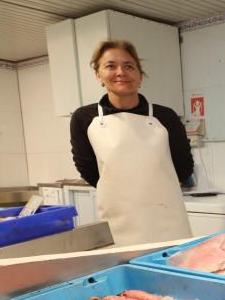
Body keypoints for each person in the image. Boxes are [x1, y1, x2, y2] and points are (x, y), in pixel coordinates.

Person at [70, 40, 194, 245]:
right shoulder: (84, 118)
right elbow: (88, 170)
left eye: (129, 66)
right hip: (118, 223)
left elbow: (184, 167)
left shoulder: (166, 116)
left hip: (167, 222)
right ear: (98, 75)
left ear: (139, 75)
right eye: (110, 66)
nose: (121, 72)